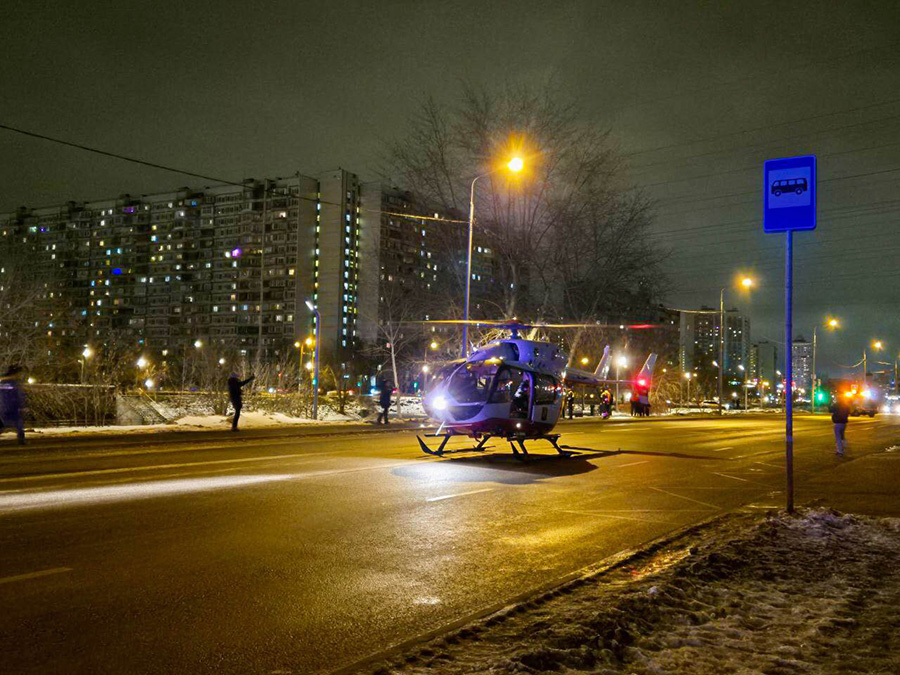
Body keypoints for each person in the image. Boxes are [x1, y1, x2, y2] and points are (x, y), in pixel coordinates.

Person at [0, 365, 26, 444]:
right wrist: (22, 406)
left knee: (3, 424)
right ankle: (21, 439)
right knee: (19, 423)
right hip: (14, 406)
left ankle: (21, 438)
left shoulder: (2, 382)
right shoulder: (15, 383)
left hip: (3, 406)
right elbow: (19, 395)